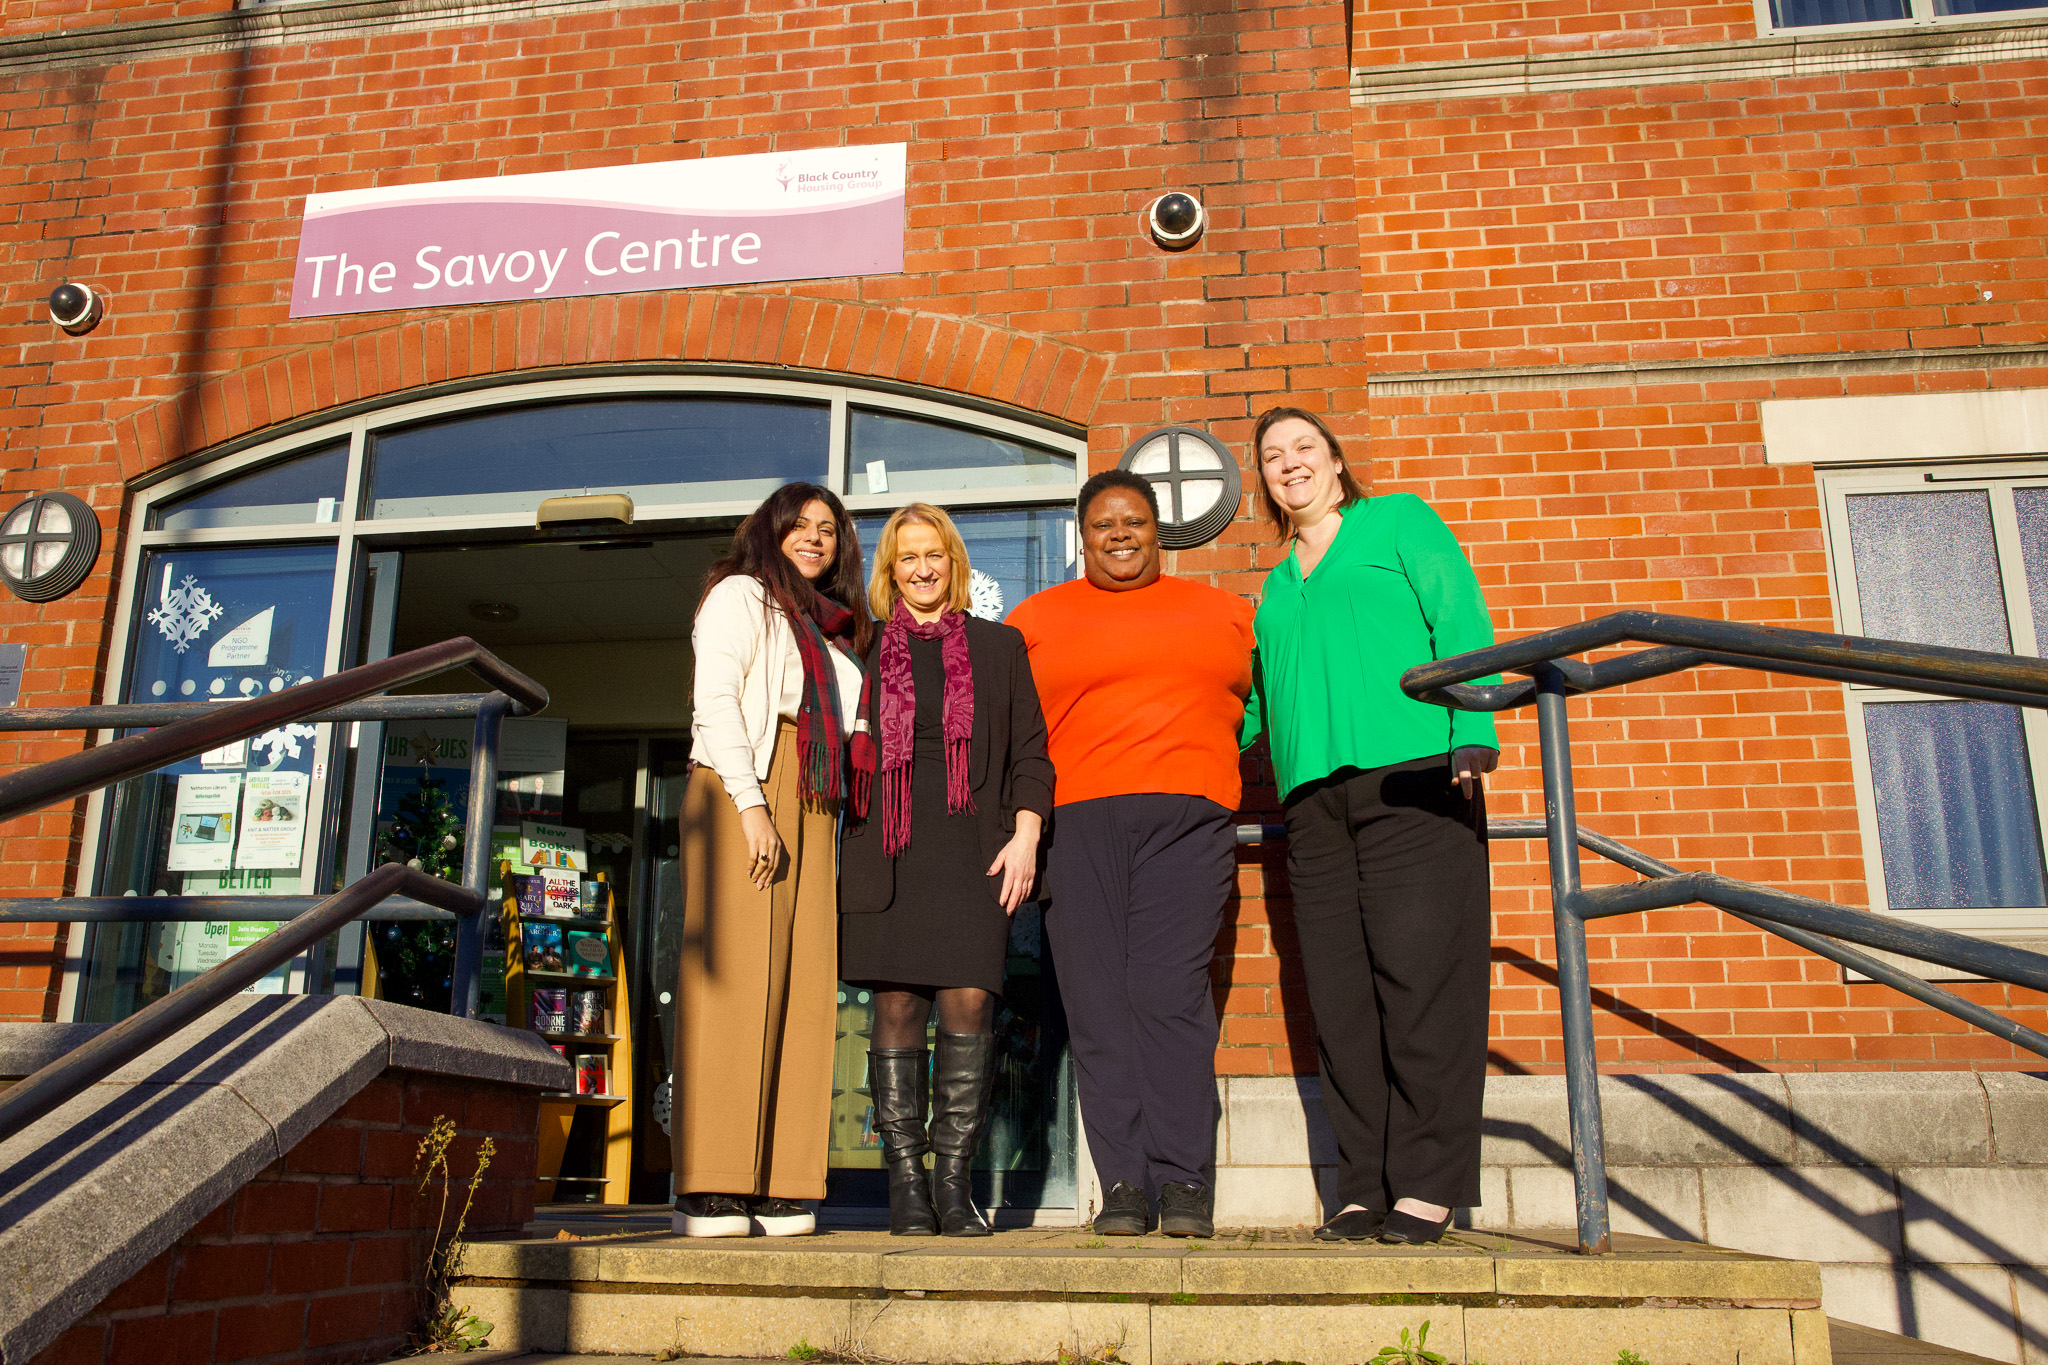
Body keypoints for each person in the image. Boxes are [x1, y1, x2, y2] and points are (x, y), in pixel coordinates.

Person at [1240, 406, 1499, 1246]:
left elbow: (1460, 620)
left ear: (1338, 462)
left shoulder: (1398, 521)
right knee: (1342, 1000)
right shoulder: (1275, 586)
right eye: (1274, 457)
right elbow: (1257, 706)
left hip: (1414, 779)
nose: (1290, 464)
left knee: (1421, 985)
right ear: (1267, 483)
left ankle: (1428, 1184)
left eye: (1304, 448)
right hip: (1314, 805)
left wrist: (1476, 731)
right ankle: (1362, 1184)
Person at [1006, 470, 1256, 1240]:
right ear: (1082, 536)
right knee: (1097, 1002)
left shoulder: (1226, 613)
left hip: (1189, 818)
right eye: (1104, 524)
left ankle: (1183, 1180)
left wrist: (1210, 760)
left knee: (1169, 993)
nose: (1120, 535)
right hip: (1075, 823)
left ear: (1158, 530)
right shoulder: (1034, 620)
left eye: (1134, 522)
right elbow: (1011, 733)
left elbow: (1257, 712)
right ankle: (1122, 1183)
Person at [839, 503, 1055, 1237]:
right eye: (908, 558)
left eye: (934, 554)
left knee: (971, 1003)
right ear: (889, 570)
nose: (923, 569)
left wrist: (1027, 831)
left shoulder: (999, 645)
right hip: (886, 848)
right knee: (896, 1007)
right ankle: (905, 1186)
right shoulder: (863, 649)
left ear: (953, 562)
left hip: (973, 850)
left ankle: (952, 1185)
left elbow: (1031, 747)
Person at [670, 481, 871, 1238]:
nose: (815, 537)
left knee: (805, 982)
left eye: (828, 528)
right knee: (733, 979)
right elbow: (716, 698)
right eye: (801, 525)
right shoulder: (742, 595)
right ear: (772, 530)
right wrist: (750, 805)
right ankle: (713, 1182)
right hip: (743, 776)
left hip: (817, 792)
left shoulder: (836, 630)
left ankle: (783, 1180)